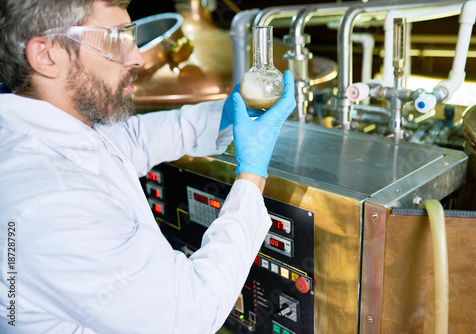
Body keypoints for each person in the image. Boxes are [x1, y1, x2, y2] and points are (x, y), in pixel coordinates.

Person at [0, 0, 296, 333]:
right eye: (115, 39)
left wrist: (226, 116)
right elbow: (190, 314)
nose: (138, 57)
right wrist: (251, 176)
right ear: (47, 55)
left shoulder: (50, 131)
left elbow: (133, 140)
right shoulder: (50, 201)